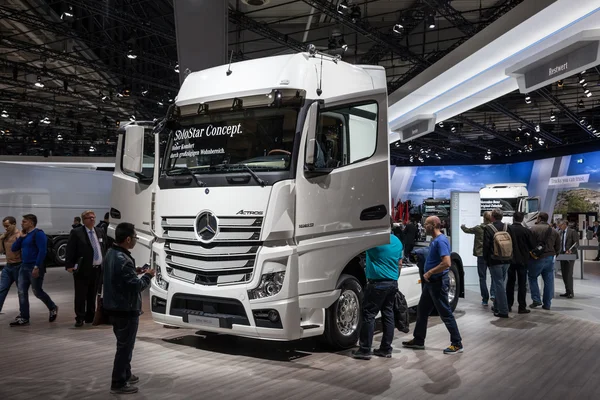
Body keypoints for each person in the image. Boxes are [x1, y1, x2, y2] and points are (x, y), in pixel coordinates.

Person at [103, 222, 154, 395]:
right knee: (125, 347)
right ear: (127, 239)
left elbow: (121, 278)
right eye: (134, 237)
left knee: (123, 344)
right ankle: (118, 382)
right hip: (125, 309)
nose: (135, 241)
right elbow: (136, 286)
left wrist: (136, 271)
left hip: (113, 307)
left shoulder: (111, 253)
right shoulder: (123, 260)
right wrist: (147, 276)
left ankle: (126, 373)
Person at [402, 216, 463, 354]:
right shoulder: (435, 240)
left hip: (438, 283)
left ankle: (457, 343)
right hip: (431, 284)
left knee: (445, 313)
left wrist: (429, 272)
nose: (424, 227)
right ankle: (418, 340)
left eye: (426, 224)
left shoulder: (441, 241)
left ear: (434, 225)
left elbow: (447, 263)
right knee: (422, 311)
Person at [353, 219, 403, 360]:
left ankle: (364, 350)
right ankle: (386, 349)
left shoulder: (375, 241)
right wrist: (394, 278)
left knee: (368, 315)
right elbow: (399, 263)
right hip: (392, 283)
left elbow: (357, 247)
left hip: (377, 284)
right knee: (388, 314)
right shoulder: (397, 241)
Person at [10, 214, 58, 326]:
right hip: (24, 266)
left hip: (35, 266)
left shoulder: (39, 234)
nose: (21, 223)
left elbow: (42, 251)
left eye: (24, 221)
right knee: (21, 292)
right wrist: (20, 238)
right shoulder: (25, 235)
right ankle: (24, 317)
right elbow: (13, 248)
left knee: (37, 291)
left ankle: (52, 307)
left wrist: (37, 267)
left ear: (31, 223)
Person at [65, 210, 108, 327]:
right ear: (84, 220)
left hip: (97, 269)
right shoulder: (76, 232)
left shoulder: (100, 231)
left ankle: (90, 316)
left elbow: (104, 247)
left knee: (92, 294)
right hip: (82, 269)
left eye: (93, 217)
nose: (92, 219)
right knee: (81, 294)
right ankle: (80, 317)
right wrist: (69, 265)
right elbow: (70, 249)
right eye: (89, 218)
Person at [528, 212, 561, 310]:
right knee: (548, 281)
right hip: (550, 258)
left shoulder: (533, 229)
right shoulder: (554, 231)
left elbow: (529, 244)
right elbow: (558, 247)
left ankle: (536, 299)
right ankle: (547, 304)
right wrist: (553, 254)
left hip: (537, 258)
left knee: (532, 277)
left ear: (539, 218)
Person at [483, 209, 512, 318]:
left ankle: (503, 310)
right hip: (507, 259)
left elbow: (486, 246)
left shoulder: (489, 228)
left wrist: (486, 260)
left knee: (498, 284)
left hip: (495, 260)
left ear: (492, 217)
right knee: (500, 283)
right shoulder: (507, 227)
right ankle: (497, 307)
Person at [461, 211, 494, 306]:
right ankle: (493, 294)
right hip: (491, 255)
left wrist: (462, 225)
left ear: (483, 218)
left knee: (482, 277)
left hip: (481, 255)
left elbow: (466, 230)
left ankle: (485, 298)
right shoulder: (493, 228)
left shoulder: (478, 228)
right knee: (493, 276)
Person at [507, 211, 536, 314]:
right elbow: (532, 246)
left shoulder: (508, 230)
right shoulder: (526, 231)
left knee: (510, 283)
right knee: (522, 284)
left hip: (510, 259)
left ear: (513, 218)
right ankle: (522, 307)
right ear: (522, 219)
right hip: (523, 261)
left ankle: (508, 305)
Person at [0, 216, 22, 314]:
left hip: (18, 266)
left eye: (7, 226)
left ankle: (23, 314)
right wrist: (1, 240)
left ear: (14, 224)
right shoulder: (6, 236)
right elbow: (1, 251)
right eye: (4, 226)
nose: (6, 228)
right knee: (2, 289)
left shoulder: (19, 235)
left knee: (21, 292)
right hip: (8, 266)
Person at [558, 220, 579, 298]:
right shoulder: (560, 232)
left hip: (570, 255)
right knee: (564, 274)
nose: (559, 227)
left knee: (569, 274)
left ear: (565, 224)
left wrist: (571, 250)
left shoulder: (572, 232)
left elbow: (576, 243)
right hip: (562, 254)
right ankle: (567, 291)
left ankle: (571, 292)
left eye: (560, 225)